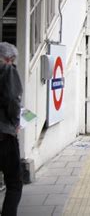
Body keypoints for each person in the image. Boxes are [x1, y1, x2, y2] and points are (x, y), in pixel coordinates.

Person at [0, 42, 23, 216]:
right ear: (9, 58)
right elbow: (13, 101)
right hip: (4, 135)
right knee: (14, 184)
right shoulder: (7, 71)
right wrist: (16, 123)